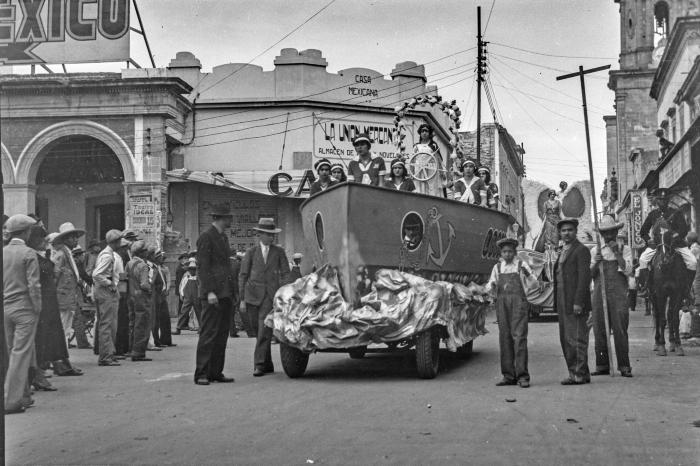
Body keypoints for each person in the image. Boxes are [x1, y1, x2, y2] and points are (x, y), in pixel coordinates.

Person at [239, 218, 290, 377]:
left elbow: (286, 273)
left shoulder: (279, 252)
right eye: (268, 234)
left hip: (270, 296)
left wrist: (283, 293)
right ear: (260, 235)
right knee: (258, 331)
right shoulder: (251, 253)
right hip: (252, 297)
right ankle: (267, 363)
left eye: (272, 234)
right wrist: (241, 299)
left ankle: (259, 365)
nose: (271, 237)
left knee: (263, 330)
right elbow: (243, 275)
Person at [3, 214, 41, 414]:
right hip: (25, 308)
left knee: (13, 353)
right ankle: (11, 401)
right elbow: (33, 285)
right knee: (21, 353)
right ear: (26, 232)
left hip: (6, 307)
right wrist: (38, 307)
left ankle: (24, 395)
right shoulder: (28, 253)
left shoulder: (3, 253)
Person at [194, 204, 236, 385]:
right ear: (221, 218)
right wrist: (209, 291)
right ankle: (201, 373)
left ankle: (215, 371)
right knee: (208, 333)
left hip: (225, 293)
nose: (230, 221)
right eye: (228, 218)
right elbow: (203, 266)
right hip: (213, 294)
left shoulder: (222, 238)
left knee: (221, 334)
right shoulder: (206, 237)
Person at [485, 237, 534, 388]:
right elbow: (489, 286)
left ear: (515, 252)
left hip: (518, 304)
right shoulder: (497, 268)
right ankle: (508, 375)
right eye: (504, 251)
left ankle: (522, 376)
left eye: (510, 251)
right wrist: (491, 286)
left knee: (519, 338)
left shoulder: (521, 265)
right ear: (501, 253)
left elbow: (533, 282)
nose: (507, 254)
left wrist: (527, 280)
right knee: (505, 338)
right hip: (502, 305)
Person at [590, 216, 634, 377]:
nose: (608, 236)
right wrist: (596, 262)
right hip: (599, 293)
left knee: (620, 328)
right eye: (605, 233)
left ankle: (624, 365)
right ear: (601, 234)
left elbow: (628, 271)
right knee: (600, 328)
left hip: (618, 294)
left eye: (611, 232)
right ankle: (602, 365)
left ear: (616, 231)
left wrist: (616, 252)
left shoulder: (625, 249)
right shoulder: (596, 251)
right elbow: (590, 275)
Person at [554, 218, 592, 385]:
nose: (566, 233)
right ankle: (579, 372)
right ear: (560, 234)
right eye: (563, 231)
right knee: (566, 338)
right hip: (563, 300)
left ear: (575, 231)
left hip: (575, 301)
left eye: (570, 230)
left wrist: (579, 302)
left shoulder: (581, 250)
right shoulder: (563, 250)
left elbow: (584, 278)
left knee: (576, 338)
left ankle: (578, 375)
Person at [639, 188, 696, 277]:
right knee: (642, 260)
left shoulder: (676, 213)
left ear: (668, 200)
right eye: (660, 200)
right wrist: (648, 240)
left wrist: (675, 236)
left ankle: (688, 286)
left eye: (665, 200)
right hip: (657, 244)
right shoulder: (652, 215)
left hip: (676, 244)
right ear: (657, 200)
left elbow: (683, 229)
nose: (662, 202)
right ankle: (645, 286)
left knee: (693, 262)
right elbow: (643, 232)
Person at [51, 222, 90, 349]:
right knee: (63, 328)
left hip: (68, 296)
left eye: (75, 237)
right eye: (72, 237)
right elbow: (55, 276)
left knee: (65, 328)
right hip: (63, 297)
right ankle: (62, 360)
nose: (75, 240)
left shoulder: (67, 254)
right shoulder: (62, 255)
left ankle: (63, 360)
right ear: (65, 239)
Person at [92, 230, 127, 367]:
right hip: (105, 291)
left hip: (105, 291)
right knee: (107, 324)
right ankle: (106, 356)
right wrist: (109, 283)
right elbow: (97, 274)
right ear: (115, 242)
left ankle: (108, 353)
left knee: (110, 324)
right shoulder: (107, 256)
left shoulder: (108, 254)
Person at [125, 240, 152, 362]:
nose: (147, 252)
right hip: (141, 297)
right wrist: (150, 289)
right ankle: (139, 352)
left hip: (130, 296)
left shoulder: (129, 264)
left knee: (132, 323)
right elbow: (144, 284)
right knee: (143, 324)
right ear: (142, 252)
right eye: (146, 250)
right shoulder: (143, 265)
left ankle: (131, 349)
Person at [151, 250, 174, 347]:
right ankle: (157, 341)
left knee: (165, 318)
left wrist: (166, 289)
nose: (162, 259)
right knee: (156, 318)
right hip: (157, 294)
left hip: (162, 294)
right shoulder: (153, 268)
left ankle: (166, 340)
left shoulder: (162, 268)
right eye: (160, 257)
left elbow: (166, 280)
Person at [178, 258, 201, 332]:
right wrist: (182, 294)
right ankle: (179, 327)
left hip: (197, 297)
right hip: (188, 298)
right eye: (190, 269)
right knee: (183, 312)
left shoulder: (198, 278)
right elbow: (182, 286)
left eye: (194, 269)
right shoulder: (186, 277)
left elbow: (201, 287)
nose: (192, 271)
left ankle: (201, 327)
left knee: (199, 312)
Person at [172, 253, 190, 335]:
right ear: (182, 259)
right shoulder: (181, 268)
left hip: (184, 290)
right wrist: (181, 292)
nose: (186, 259)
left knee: (183, 308)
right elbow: (180, 281)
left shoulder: (184, 267)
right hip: (182, 290)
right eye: (185, 258)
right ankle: (182, 324)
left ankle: (183, 324)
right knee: (182, 308)